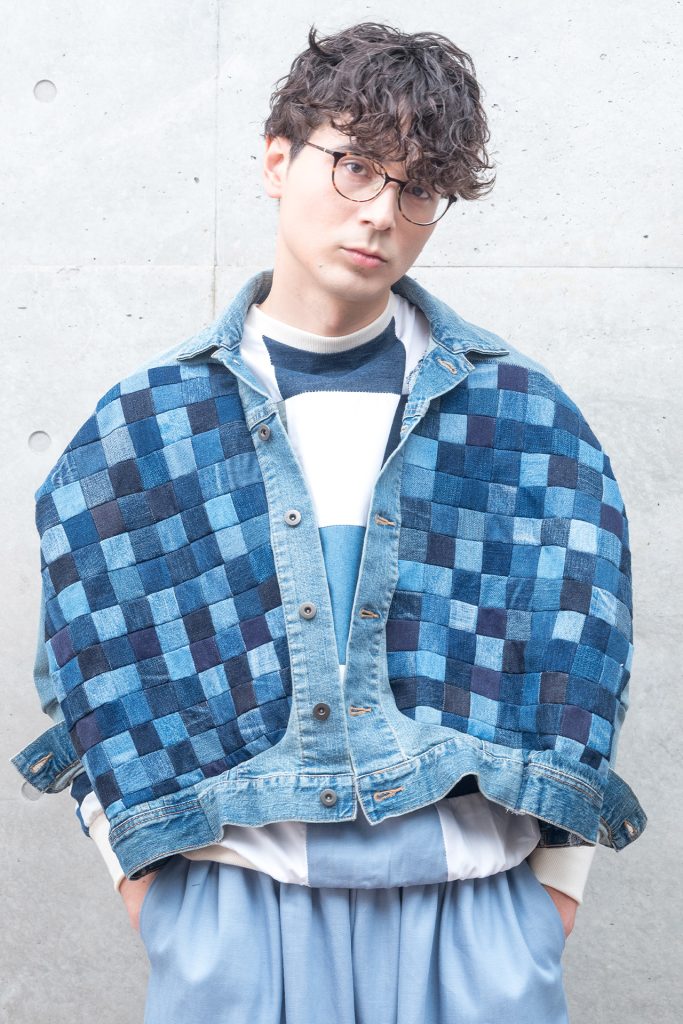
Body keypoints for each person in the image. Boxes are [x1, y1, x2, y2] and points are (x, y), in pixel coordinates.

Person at [11, 21, 646, 1024]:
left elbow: (588, 661)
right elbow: (78, 668)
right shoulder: (147, 426)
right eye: (354, 166)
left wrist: (552, 897)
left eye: (416, 188)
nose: (380, 211)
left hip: (475, 918)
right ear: (276, 160)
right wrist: (150, 891)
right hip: (233, 913)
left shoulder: (524, 420)